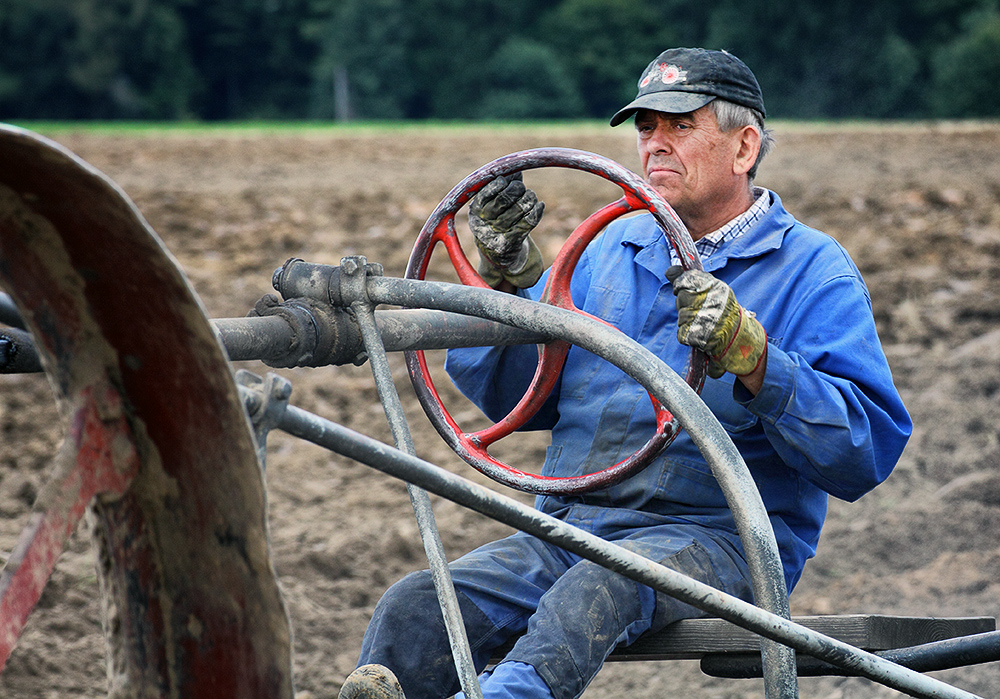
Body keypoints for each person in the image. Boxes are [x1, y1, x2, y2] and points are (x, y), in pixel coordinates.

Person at [341, 47, 912, 699]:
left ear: (744, 146)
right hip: (573, 522)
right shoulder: (608, 246)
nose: (655, 145)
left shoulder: (812, 271)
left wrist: (754, 356)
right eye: (646, 128)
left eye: (680, 126)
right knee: (419, 602)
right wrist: (503, 276)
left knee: (594, 591)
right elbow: (518, 393)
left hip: (719, 540)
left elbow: (862, 451)